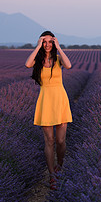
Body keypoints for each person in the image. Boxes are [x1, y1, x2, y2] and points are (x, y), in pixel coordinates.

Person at [25, 30, 72, 190]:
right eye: (44, 42)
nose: (47, 45)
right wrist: (37, 46)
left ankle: (60, 163)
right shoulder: (37, 62)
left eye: (49, 42)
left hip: (60, 101)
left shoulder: (58, 59)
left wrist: (59, 46)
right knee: (49, 141)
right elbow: (27, 64)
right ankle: (52, 174)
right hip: (45, 102)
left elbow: (69, 65)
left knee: (60, 141)